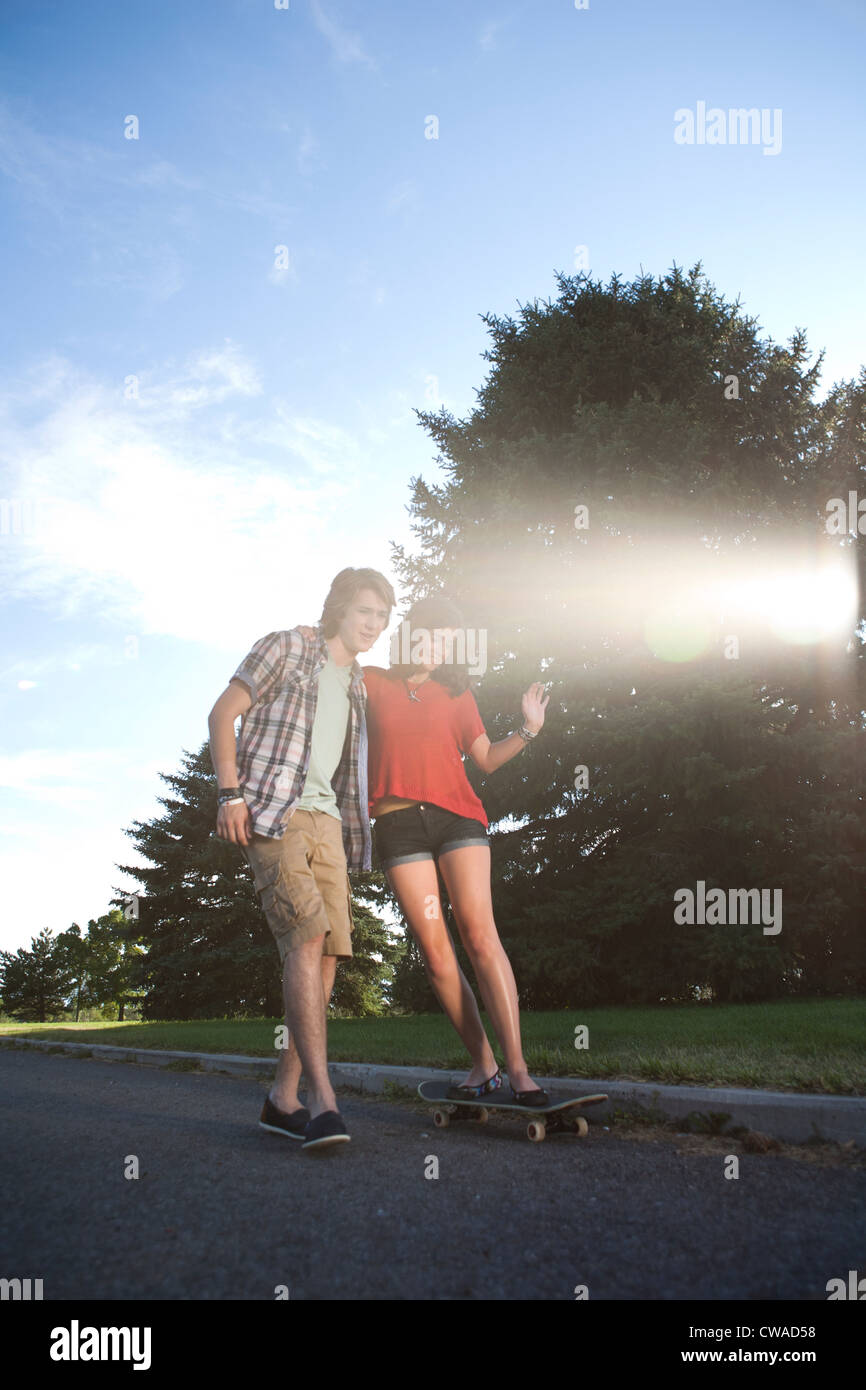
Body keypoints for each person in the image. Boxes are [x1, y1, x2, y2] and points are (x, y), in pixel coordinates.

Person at [301, 594, 550, 1103]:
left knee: (480, 936)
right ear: (413, 633)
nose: (439, 650)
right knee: (436, 954)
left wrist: (527, 731)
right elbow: (325, 674)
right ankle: (483, 1065)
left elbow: (484, 759)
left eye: (448, 643)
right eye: (433, 637)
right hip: (398, 825)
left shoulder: (456, 694)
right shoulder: (369, 682)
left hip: (458, 819)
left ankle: (519, 1071)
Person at [208, 567, 394, 1150]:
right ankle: (324, 1100)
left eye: (383, 617)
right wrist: (229, 792)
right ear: (339, 608)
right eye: (365, 611)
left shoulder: (359, 684)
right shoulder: (288, 645)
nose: (373, 624)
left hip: (329, 824)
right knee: (306, 936)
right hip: (274, 813)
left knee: (331, 953)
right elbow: (221, 713)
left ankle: (282, 1098)